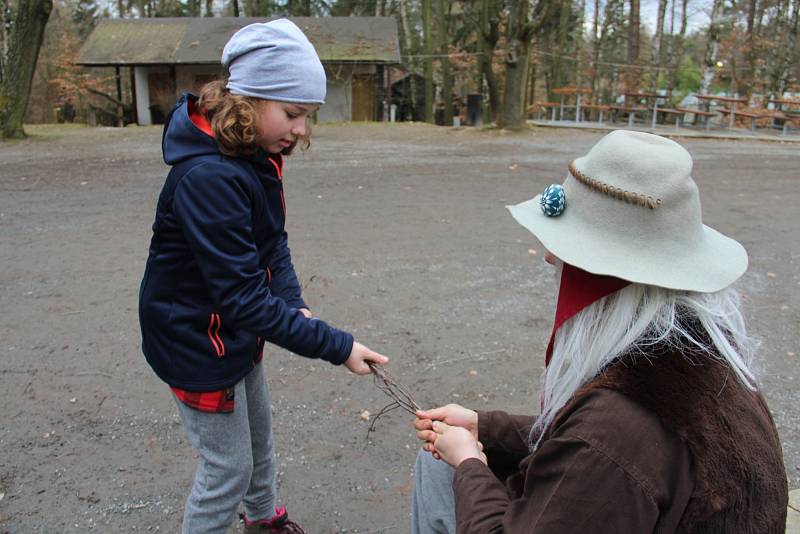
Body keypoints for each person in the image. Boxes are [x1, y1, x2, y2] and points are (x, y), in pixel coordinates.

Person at [411, 130, 788, 533]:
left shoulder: (614, 431)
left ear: (600, 275)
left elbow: (598, 449)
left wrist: (470, 463)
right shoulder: (700, 358)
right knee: (440, 462)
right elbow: (586, 447)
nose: (549, 256)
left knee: (445, 470)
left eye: (565, 250)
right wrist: (484, 427)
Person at [138, 19, 388, 534]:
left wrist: (293, 302)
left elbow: (271, 242)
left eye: (308, 116)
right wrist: (336, 346)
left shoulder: (253, 156)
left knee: (258, 439)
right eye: (293, 113)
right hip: (196, 341)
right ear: (247, 102)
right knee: (226, 469)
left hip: (231, 333)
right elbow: (243, 299)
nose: (301, 130)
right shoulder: (210, 178)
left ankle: (264, 520)